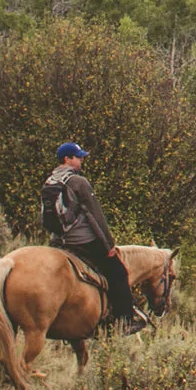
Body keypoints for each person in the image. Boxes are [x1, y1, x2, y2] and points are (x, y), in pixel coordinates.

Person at [41, 142, 142, 331]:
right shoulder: (79, 182)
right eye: (78, 157)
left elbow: (45, 218)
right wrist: (108, 245)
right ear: (67, 159)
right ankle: (125, 321)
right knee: (118, 273)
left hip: (59, 241)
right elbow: (95, 215)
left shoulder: (50, 182)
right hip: (82, 242)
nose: (81, 160)